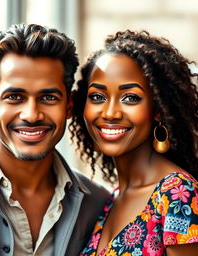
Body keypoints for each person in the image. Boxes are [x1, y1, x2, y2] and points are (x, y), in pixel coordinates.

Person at [0, 23, 110, 256]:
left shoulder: (97, 204)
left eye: (48, 97)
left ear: (69, 105)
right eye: (14, 97)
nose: (31, 115)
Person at [69, 30, 198, 256]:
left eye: (131, 98)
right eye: (97, 97)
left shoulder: (178, 193)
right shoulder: (111, 200)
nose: (110, 113)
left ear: (157, 109)